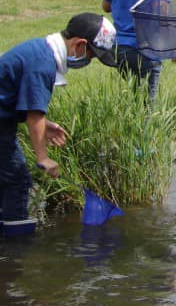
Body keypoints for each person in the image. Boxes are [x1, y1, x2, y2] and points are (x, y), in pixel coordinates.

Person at [0, 13, 116, 237]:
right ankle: (15, 250)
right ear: (80, 44)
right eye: (92, 55)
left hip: (4, 121)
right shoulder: (42, 65)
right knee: (18, 179)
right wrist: (42, 157)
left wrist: (47, 125)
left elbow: (19, 102)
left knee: (6, 177)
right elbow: (35, 114)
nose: (89, 61)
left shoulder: (40, 51)